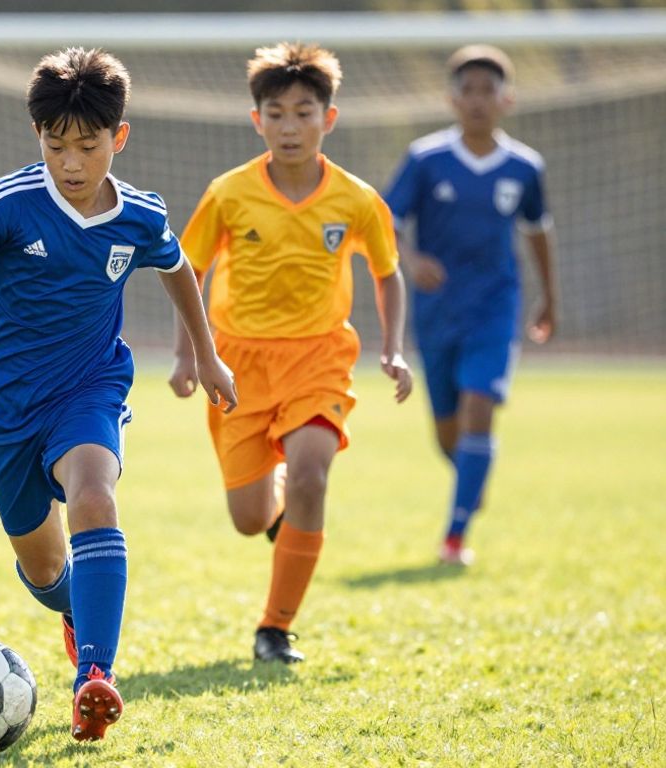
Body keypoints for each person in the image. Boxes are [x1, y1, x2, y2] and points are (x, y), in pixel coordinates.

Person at [0, 47, 236, 741]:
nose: (73, 164)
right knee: (47, 565)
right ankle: (73, 609)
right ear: (39, 140)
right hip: (1, 410)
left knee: (93, 493)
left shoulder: (140, 216)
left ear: (120, 138)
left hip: (89, 385)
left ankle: (95, 677)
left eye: (88, 146)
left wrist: (206, 356)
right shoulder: (4, 205)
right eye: (57, 147)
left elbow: (177, 270)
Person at [176, 42, 412, 664]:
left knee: (312, 476)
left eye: (304, 113)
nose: (290, 126)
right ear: (257, 121)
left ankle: (274, 629)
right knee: (250, 519)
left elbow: (388, 273)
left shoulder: (356, 199)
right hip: (238, 365)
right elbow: (186, 267)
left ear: (328, 119)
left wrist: (393, 349)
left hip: (319, 357)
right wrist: (189, 355)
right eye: (276, 113)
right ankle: (280, 506)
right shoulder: (229, 193)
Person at [384, 45, 558, 567]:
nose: (478, 100)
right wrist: (411, 260)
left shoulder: (525, 167)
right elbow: (386, 222)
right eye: (468, 90)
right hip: (438, 312)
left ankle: (454, 537)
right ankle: (470, 478)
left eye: (489, 90)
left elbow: (537, 231)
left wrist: (550, 297)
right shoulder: (425, 158)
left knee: (480, 409)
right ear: (451, 99)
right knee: (448, 432)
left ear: (507, 99)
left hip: (495, 310)